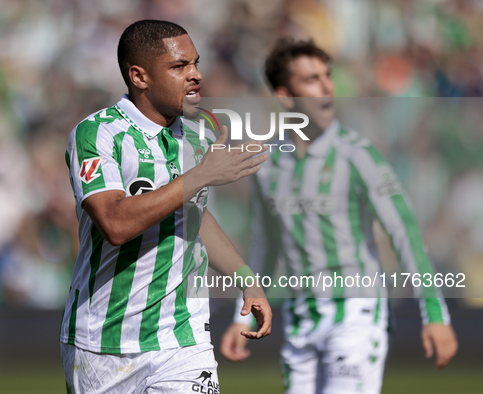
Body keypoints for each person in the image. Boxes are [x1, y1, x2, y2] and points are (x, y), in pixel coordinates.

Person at [220, 38, 458, 394]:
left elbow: (404, 234)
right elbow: (265, 245)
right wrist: (243, 315)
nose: (327, 86)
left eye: (327, 75)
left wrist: (435, 315)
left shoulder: (358, 155)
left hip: (356, 314)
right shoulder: (267, 163)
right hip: (300, 317)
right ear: (286, 96)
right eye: (312, 79)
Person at [60, 20, 272, 394]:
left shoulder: (199, 133)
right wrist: (202, 175)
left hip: (183, 337)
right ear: (139, 76)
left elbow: (193, 215)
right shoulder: (98, 133)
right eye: (179, 67)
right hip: (103, 342)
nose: (196, 75)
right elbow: (114, 223)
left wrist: (246, 278)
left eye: (195, 63)